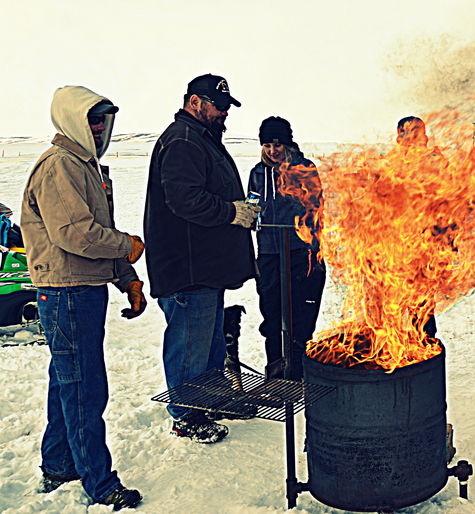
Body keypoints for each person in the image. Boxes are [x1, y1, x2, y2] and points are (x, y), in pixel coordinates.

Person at [20, 86, 146, 510]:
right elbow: (75, 236)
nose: (99, 128)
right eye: (92, 119)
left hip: (82, 290)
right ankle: (100, 483)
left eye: (105, 120)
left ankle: (58, 463)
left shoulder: (85, 166)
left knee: (68, 383)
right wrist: (125, 245)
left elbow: (96, 231)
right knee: (84, 389)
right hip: (67, 292)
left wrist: (127, 278)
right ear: (71, 119)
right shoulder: (60, 166)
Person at [144, 74, 259, 442]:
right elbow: (184, 200)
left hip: (205, 269)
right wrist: (230, 212)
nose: (225, 112)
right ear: (195, 102)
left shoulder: (200, 138)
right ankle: (185, 414)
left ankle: (209, 401)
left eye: (227, 106)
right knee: (189, 345)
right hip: (187, 269)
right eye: (219, 105)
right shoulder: (183, 141)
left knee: (207, 343)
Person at [248, 116, 326, 380]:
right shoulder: (257, 173)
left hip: (299, 252)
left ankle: (298, 371)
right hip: (269, 252)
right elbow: (253, 205)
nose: (273, 150)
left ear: (287, 144)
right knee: (271, 313)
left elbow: (316, 207)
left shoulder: (304, 169)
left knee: (299, 316)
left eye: (278, 144)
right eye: (267, 145)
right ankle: (275, 370)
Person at [395, 116, 438, 339]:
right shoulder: (390, 166)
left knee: (422, 311)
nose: (410, 139)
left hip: (425, 249)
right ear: (398, 139)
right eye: (405, 133)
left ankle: (424, 351)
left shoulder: (436, 163)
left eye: (415, 133)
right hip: (393, 249)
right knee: (389, 308)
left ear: (424, 138)